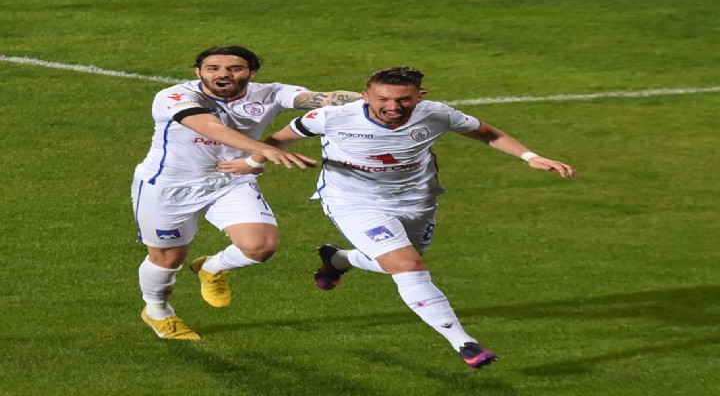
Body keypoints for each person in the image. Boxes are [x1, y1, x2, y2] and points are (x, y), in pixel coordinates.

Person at [223, 66, 576, 368]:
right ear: (365, 95)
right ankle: (463, 342)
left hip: (417, 199)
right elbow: (280, 139)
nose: (393, 107)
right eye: (383, 100)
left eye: (404, 100)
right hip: (353, 201)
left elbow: (487, 132)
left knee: (404, 263)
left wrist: (530, 156)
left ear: (420, 96)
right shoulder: (330, 116)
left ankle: (338, 259)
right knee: (408, 265)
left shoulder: (437, 114)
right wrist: (253, 161)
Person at [132, 45, 362, 340]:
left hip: (232, 180)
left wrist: (381, 99)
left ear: (251, 73)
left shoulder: (271, 93)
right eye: (213, 68)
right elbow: (209, 127)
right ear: (198, 72)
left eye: (235, 68)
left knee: (260, 247)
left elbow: (326, 99)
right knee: (168, 259)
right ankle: (157, 311)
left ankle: (210, 268)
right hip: (169, 186)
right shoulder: (174, 96)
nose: (223, 74)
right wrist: (264, 150)